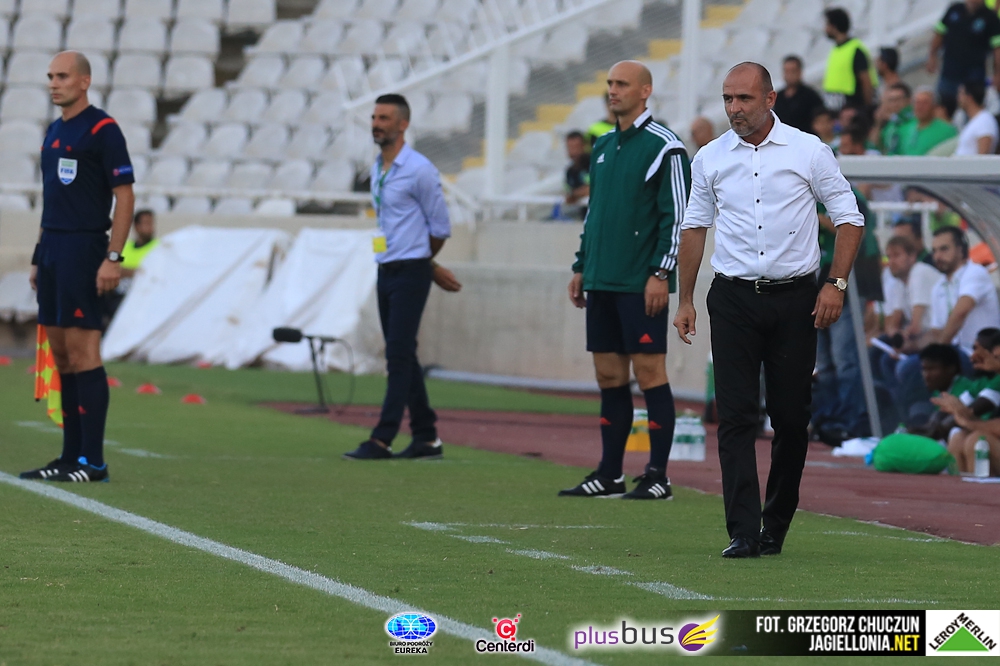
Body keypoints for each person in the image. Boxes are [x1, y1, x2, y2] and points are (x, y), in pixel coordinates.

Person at [674, 62, 864, 558]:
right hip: (732, 298)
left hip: (796, 300)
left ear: (770, 99)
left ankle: (775, 524)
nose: (734, 108)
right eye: (727, 99)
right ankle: (742, 530)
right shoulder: (710, 157)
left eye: (744, 98)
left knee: (791, 420)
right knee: (736, 417)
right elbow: (694, 227)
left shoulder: (809, 150)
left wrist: (835, 285)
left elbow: (850, 218)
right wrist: (685, 298)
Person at [562, 60, 691, 500]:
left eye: (621, 84)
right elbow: (594, 214)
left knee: (650, 372)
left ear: (645, 91)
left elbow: (677, 217)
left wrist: (660, 273)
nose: (612, 91)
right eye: (609, 83)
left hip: (641, 282)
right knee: (608, 376)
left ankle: (658, 476)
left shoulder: (665, 146)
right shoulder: (601, 145)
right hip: (602, 279)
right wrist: (581, 265)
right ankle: (609, 474)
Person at [19, 52, 135, 483]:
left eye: (63, 76)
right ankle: (69, 458)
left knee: (85, 353)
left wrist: (113, 257)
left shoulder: (103, 130)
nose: (54, 83)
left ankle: (94, 462)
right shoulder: (53, 131)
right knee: (62, 357)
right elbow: (53, 198)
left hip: (84, 250)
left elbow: (125, 196)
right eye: (51, 76)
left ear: (84, 81)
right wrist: (38, 255)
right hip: (52, 250)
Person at [343, 93, 462, 461]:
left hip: (410, 271)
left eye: (384, 118)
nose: (376, 124)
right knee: (403, 354)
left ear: (403, 124)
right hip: (387, 268)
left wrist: (424, 265)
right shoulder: (378, 168)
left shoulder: (420, 169)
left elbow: (439, 227)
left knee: (396, 355)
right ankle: (426, 437)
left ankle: (382, 438)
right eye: (374, 118)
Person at [812, 120, 883, 445]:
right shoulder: (802, 190)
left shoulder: (845, 191)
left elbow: (861, 230)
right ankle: (829, 421)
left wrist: (824, 222)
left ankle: (852, 422)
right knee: (824, 361)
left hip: (845, 282)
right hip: (813, 279)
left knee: (844, 358)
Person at [928, 226, 1000, 353]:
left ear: (961, 250)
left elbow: (960, 313)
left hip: (983, 354)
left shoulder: (975, 272)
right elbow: (936, 330)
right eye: (934, 251)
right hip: (956, 352)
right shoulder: (938, 287)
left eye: (944, 249)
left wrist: (939, 353)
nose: (937, 256)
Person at [927, 0, 1000, 117]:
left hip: (974, 76)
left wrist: (997, 74)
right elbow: (939, 33)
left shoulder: (990, 18)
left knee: (973, 109)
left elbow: (997, 49)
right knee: (944, 109)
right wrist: (932, 56)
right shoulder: (954, 10)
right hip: (949, 73)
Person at [882, 235, 943, 353]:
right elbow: (892, 323)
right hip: (924, 337)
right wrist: (896, 333)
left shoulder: (919, 273)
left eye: (897, 255)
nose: (891, 261)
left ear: (912, 257)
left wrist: (900, 335)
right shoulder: (900, 281)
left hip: (937, 337)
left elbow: (916, 327)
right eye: (889, 257)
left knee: (889, 358)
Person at [102, 208, 159, 324]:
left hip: (141, 294)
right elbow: (113, 268)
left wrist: (125, 271)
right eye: (146, 223)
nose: (150, 227)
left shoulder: (158, 247)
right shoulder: (126, 247)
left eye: (151, 223)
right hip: (118, 292)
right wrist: (133, 272)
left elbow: (149, 272)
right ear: (136, 226)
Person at [822, 7, 878, 112]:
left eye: (827, 25)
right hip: (838, 109)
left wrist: (867, 109)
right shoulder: (836, 49)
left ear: (834, 27)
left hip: (853, 109)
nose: (825, 28)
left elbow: (866, 81)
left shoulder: (855, 50)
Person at [773, 55, 825, 134]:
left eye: (793, 71)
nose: (790, 75)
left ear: (800, 72)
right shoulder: (778, 97)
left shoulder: (811, 96)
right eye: (787, 71)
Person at [901, 87, 959, 155]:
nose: (920, 106)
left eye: (925, 103)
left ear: (934, 106)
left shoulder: (947, 131)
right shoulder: (904, 129)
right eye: (917, 102)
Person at [955, 80, 1000, 155]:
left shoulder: (984, 121)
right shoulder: (975, 120)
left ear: (969, 97)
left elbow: (983, 155)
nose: (958, 98)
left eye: (961, 93)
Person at [872, 82, 914, 155]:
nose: (894, 104)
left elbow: (904, 120)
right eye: (891, 100)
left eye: (898, 99)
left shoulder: (913, 116)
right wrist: (878, 123)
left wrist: (891, 117)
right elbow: (875, 145)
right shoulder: (890, 125)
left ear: (908, 100)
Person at [563, 130, 590, 220]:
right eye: (570, 147)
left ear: (584, 146)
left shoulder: (595, 164)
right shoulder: (570, 171)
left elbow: (597, 189)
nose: (573, 152)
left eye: (576, 147)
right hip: (584, 218)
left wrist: (575, 194)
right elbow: (568, 196)